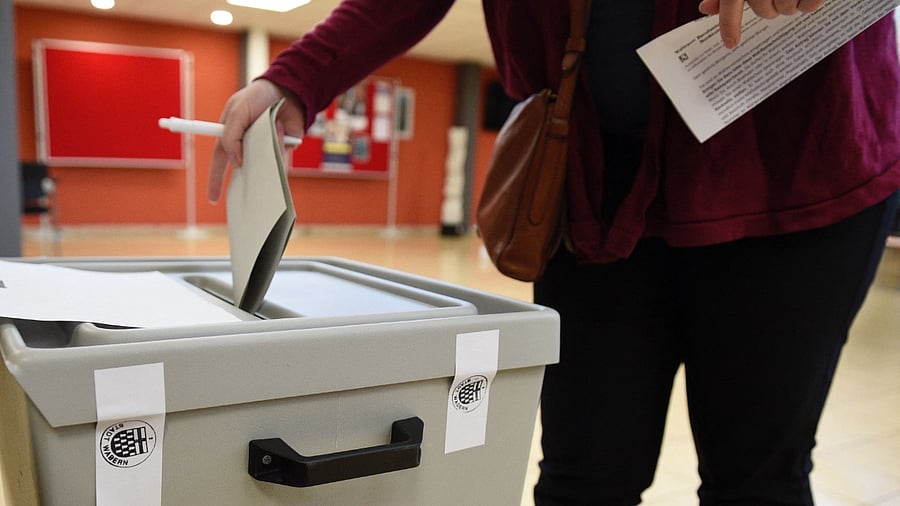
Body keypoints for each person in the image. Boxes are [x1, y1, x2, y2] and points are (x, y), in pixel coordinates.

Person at [209, 1, 900, 504]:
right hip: (592, 188)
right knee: (584, 473)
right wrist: (295, 77)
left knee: (760, 477)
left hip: (795, 174)